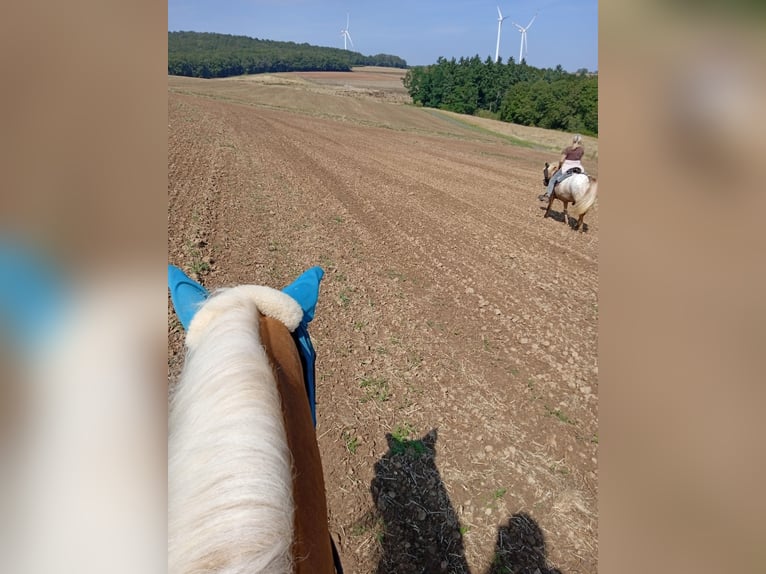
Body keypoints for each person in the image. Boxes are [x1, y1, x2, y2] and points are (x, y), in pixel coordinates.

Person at [538, 134, 586, 201]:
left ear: (573, 140)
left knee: (552, 180)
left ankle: (548, 195)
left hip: (567, 167)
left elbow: (561, 160)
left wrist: (560, 166)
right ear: (581, 141)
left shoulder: (568, 149)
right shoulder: (581, 150)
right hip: (578, 167)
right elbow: (579, 159)